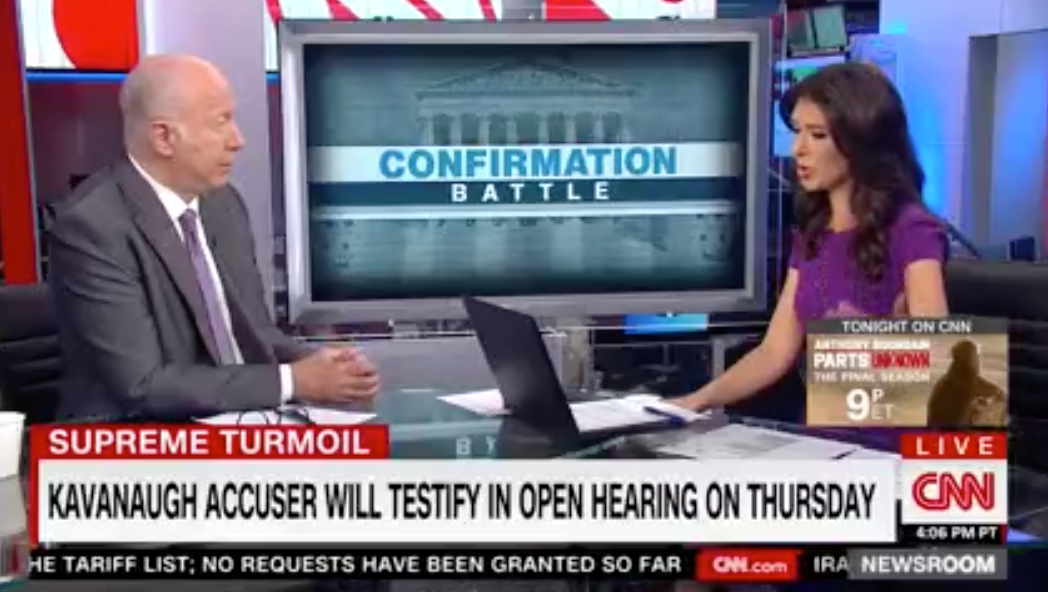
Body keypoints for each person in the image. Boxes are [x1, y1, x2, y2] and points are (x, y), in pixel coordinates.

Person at [48, 54, 380, 420]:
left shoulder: (222, 204)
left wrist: (324, 367)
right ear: (164, 137)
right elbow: (143, 386)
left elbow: (256, 335)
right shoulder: (93, 226)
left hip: (237, 423)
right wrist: (293, 381)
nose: (237, 140)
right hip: (136, 439)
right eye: (220, 122)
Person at [673, 63, 949, 412]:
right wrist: (694, 402)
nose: (797, 149)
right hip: (824, 434)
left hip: (889, 435)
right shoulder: (813, 234)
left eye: (818, 135)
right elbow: (774, 352)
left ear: (860, 142)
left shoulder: (911, 230)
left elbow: (939, 359)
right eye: (797, 131)